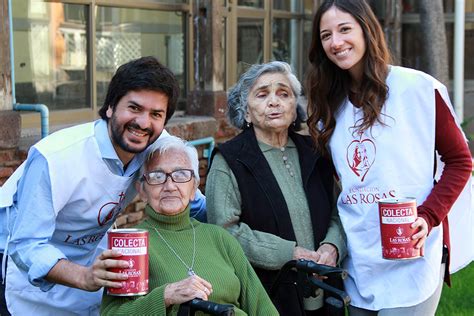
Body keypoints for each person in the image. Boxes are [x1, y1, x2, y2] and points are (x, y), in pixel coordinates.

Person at [0, 56, 206, 315]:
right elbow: (26, 244)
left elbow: (191, 198)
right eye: (134, 108)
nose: (143, 123)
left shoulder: (157, 144)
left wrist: (227, 236)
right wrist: (84, 277)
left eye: (156, 114)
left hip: (89, 253)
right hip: (19, 264)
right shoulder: (56, 157)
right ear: (110, 106)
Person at [306, 1, 472, 315]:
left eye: (344, 29)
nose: (335, 42)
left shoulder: (417, 89)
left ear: (367, 30)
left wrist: (428, 215)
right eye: (326, 35)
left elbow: (460, 161)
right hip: (361, 257)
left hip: (412, 252)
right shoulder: (329, 106)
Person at [206, 61, 347, 315]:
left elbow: (342, 209)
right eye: (262, 94)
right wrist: (288, 253)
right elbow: (224, 230)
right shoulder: (229, 160)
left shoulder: (316, 152)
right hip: (269, 294)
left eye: (284, 94)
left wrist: (333, 246)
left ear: (295, 109)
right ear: (246, 111)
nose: (274, 102)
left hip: (326, 289)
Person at [101, 135, 278, 315]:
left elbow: (262, 308)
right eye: (157, 176)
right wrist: (164, 297)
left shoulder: (220, 238)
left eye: (180, 175)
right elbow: (112, 313)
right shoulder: (132, 245)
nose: (170, 185)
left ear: (194, 188)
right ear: (142, 190)